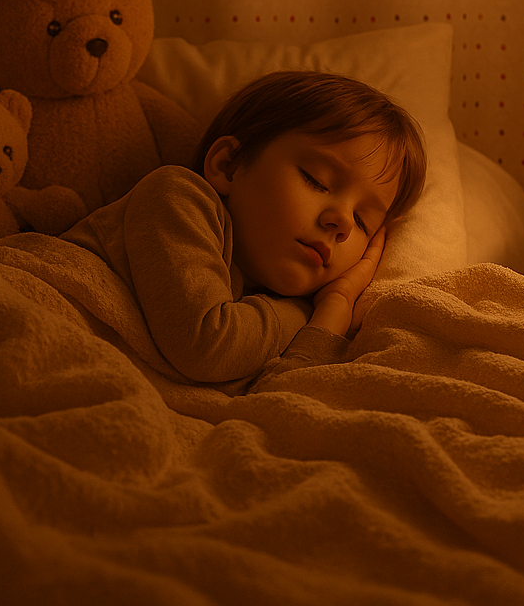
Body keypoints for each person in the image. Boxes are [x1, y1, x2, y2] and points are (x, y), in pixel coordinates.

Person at [62, 70, 427, 393]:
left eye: (363, 221)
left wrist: (338, 304)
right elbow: (207, 346)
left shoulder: (262, 321)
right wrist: (305, 311)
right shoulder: (177, 197)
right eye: (316, 180)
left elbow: (285, 399)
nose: (344, 222)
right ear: (228, 166)